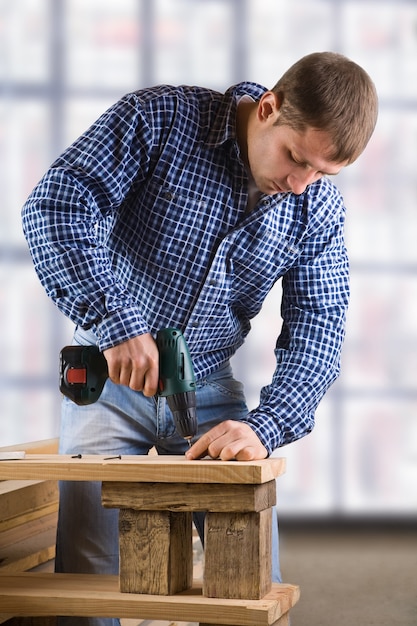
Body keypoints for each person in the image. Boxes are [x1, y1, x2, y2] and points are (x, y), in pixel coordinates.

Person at [22, 51, 378, 625]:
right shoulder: (159, 119)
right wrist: (116, 325)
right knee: (87, 584)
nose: (298, 182)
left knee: (252, 583)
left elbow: (319, 326)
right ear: (269, 108)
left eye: (320, 172)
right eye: (294, 157)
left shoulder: (315, 208)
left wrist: (265, 427)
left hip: (207, 385)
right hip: (106, 376)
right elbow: (56, 206)